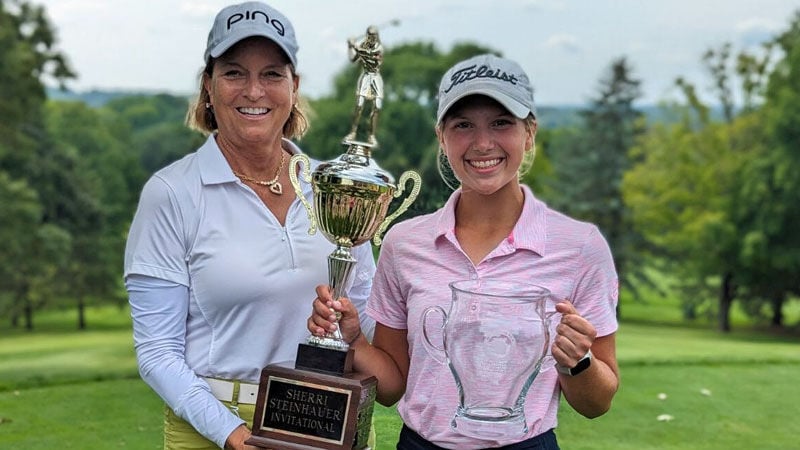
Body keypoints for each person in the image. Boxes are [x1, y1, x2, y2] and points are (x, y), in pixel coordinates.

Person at [308, 54, 620, 449]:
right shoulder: (405, 244)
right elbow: (391, 387)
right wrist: (353, 339)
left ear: (530, 132)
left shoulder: (580, 246)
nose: (483, 142)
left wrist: (578, 362)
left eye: (501, 123)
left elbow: (598, 402)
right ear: (442, 136)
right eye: (463, 125)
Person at [123, 2, 376, 449]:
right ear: (209, 86)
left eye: (273, 75)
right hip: (215, 424)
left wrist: (355, 330)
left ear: (294, 87)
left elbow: (369, 318)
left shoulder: (337, 190)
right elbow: (157, 351)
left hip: (330, 421)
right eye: (235, 72)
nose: (254, 91)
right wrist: (232, 434)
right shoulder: (173, 193)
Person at [343, 26, 384, 146]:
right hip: (365, 76)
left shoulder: (379, 48)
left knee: (377, 107)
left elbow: (369, 54)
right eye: (371, 36)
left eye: (375, 36)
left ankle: (371, 135)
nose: (373, 39)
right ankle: (352, 132)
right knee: (359, 104)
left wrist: (354, 45)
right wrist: (350, 47)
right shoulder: (363, 45)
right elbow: (353, 58)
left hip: (375, 77)